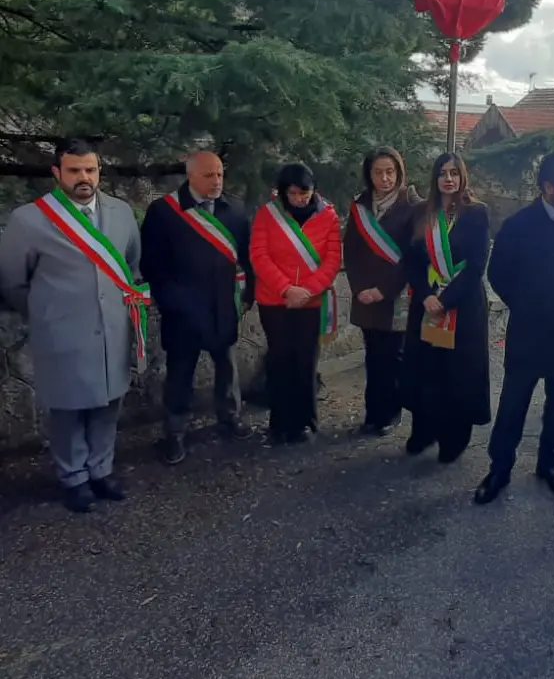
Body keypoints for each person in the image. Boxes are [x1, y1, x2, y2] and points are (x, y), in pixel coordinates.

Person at [0, 138, 143, 512]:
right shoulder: (29, 219)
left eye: (90, 170)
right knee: (67, 407)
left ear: (99, 171)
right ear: (57, 173)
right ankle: (73, 478)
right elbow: (14, 280)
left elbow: (130, 263)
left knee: (108, 402)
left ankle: (101, 471)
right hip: (61, 330)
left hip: (111, 327)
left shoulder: (121, 212)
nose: (84, 177)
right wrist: (47, 312)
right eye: (75, 170)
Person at [474, 152, 554, 505]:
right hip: (530, 333)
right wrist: (527, 306)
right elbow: (498, 275)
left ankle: (550, 464)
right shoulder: (519, 225)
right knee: (514, 405)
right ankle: (499, 469)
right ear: (549, 187)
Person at [140, 151, 255, 465]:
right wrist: (174, 304)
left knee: (227, 369)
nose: (216, 181)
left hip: (222, 307)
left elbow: (246, 257)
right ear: (190, 176)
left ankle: (230, 418)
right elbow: (153, 266)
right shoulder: (164, 212)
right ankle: (175, 433)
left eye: (219, 174)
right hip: (184, 313)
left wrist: (248, 294)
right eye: (209, 175)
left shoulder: (235, 210)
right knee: (180, 374)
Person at [402, 153, 491, 463]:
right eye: (443, 173)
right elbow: (412, 261)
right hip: (426, 304)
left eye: (454, 173)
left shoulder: (477, 213)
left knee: (458, 374)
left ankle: (454, 438)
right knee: (426, 370)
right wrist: (426, 294)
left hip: (462, 306)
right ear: (435, 179)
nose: (449, 179)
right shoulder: (422, 214)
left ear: (462, 176)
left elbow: (477, 265)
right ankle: (424, 430)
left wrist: (446, 300)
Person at [250, 163, 341, 443]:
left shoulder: (328, 216)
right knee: (280, 360)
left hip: (311, 301)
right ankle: (279, 422)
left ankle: (304, 421)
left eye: (305, 193)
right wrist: (286, 289)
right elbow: (259, 255)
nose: (301, 199)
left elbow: (333, 259)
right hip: (275, 300)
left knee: (305, 361)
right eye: (294, 194)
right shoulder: (268, 215)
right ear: (282, 192)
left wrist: (309, 290)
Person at [343, 146, 420, 435]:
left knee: (393, 357)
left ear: (399, 173)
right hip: (365, 294)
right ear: (369, 174)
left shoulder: (410, 206)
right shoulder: (360, 206)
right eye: (378, 172)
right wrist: (361, 288)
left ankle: (391, 413)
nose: (385, 178)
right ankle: (372, 414)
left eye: (390, 172)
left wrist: (383, 290)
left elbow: (411, 255)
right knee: (373, 355)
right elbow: (350, 250)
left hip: (395, 295)